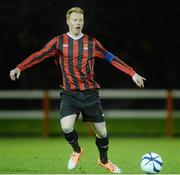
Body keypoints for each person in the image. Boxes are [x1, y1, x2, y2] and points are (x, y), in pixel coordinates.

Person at [10, 7, 146, 174]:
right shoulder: (58, 42)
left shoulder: (91, 43)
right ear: (68, 22)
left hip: (90, 93)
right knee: (66, 127)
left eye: (80, 20)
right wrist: (19, 68)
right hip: (69, 93)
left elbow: (110, 57)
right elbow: (39, 55)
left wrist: (131, 73)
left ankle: (104, 161)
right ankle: (77, 150)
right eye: (75, 20)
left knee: (102, 133)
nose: (78, 23)